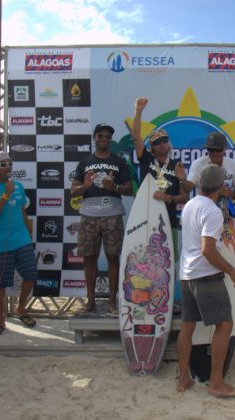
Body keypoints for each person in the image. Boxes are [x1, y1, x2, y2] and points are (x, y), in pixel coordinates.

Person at [176, 164, 235, 398]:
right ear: (222, 186)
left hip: (186, 275)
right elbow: (208, 250)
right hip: (205, 276)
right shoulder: (213, 211)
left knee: (187, 326)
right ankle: (216, 383)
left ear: (201, 183)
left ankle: (183, 377)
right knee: (225, 324)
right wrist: (233, 271)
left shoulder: (189, 205)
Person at [131, 97, 189, 310]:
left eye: (165, 140)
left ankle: (167, 299)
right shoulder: (146, 159)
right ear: (152, 148)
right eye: (157, 142)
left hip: (168, 222)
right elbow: (136, 136)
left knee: (167, 261)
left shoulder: (177, 165)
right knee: (145, 261)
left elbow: (184, 195)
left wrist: (171, 198)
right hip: (145, 219)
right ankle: (144, 297)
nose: (162, 144)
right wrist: (138, 111)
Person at [71, 123, 133, 315]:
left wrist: (113, 188)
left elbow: (130, 189)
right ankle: (91, 302)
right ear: (94, 138)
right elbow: (73, 191)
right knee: (89, 258)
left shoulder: (119, 162)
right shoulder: (84, 162)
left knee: (114, 258)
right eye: (101, 136)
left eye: (108, 136)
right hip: (89, 216)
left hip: (112, 216)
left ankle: (113, 302)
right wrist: (86, 186)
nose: (104, 139)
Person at [0, 152, 37, 336]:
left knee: (31, 274)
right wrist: (5, 195)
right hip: (0, 244)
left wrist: (28, 229)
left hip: (21, 239)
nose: (8, 167)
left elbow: (21, 210)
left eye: (10, 163)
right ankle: (0, 320)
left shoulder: (18, 186)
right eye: (3, 164)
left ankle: (20, 309)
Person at [184, 132, 235, 205]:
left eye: (218, 150)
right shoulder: (197, 164)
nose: (214, 153)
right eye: (211, 149)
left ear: (225, 148)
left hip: (224, 211)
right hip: (202, 209)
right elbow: (188, 189)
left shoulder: (233, 165)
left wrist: (231, 193)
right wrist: (182, 179)